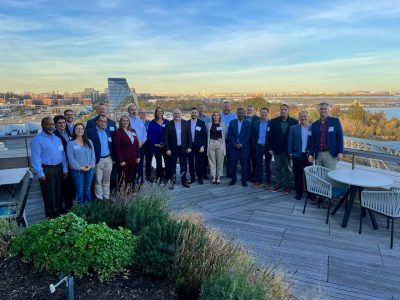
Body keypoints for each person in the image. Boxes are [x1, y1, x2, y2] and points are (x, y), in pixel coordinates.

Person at [31, 117, 68, 218]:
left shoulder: (57, 139)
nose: (51, 126)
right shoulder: (37, 140)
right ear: (42, 125)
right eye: (48, 124)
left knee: (59, 192)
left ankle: (60, 212)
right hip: (47, 169)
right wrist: (40, 173)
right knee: (49, 194)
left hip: (58, 168)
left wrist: (65, 169)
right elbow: (35, 158)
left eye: (52, 124)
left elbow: (63, 155)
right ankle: (52, 216)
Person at [267, 104, 298, 194]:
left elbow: (296, 137)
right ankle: (278, 184)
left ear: (288, 111)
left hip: (288, 151)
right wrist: (270, 147)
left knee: (287, 168)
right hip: (276, 149)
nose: (283, 111)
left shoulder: (294, 122)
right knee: (278, 168)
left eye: (285, 109)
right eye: (282, 110)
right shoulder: (273, 121)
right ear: (279, 111)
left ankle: (287, 186)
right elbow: (270, 136)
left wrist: (293, 149)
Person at [308, 102, 344, 170]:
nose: (323, 110)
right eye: (321, 109)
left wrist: (340, 152)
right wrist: (311, 154)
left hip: (330, 154)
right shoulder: (314, 124)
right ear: (318, 110)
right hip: (318, 154)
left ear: (328, 110)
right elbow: (313, 141)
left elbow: (340, 138)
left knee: (330, 175)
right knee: (320, 175)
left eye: (325, 108)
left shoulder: (335, 121)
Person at [66, 123, 96, 204]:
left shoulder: (89, 142)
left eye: (82, 129)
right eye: (77, 129)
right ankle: (80, 210)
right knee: (79, 190)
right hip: (77, 171)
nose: (80, 130)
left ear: (84, 130)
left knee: (87, 190)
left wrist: (90, 166)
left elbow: (93, 155)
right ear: (74, 131)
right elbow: (71, 159)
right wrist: (80, 167)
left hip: (89, 170)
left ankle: (87, 208)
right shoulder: (71, 144)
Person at [87, 115, 114, 200]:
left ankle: (106, 197)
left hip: (108, 159)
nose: (103, 123)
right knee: (98, 181)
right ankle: (99, 199)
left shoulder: (108, 131)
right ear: (97, 122)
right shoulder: (90, 132)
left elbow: (112, 145)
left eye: (105, 121)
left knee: (107, 180)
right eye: (101, 121)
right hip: (98, 159)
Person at [164, 108, 192, 188]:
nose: (177, 115)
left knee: (184, 165)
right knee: (172, 166)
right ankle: (172, 181)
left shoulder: (185, 123)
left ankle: (184, 180)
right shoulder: (169, 124)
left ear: (181, 114)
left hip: (183, 148)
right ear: (173, 114)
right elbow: (165, 138)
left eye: (178, 113)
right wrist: (167, 149)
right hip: (173, 149)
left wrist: (189, 146)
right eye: (175, 113)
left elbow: (189, 136)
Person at [288, 111, 312, 200]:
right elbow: (290, 141)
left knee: (309, 176)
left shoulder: (312, 128)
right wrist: (290, 152)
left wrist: (312, 153)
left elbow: (314, 142)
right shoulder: (294, 128)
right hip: (297, 155)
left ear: (308, 116)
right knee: (297, 175)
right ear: (299, 118)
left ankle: (310, 194)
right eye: (301, 116)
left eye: (305, 116)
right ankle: (299, 192)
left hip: (308, 156)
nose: (303, 118)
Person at [53, 115, 74, 210]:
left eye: (64, 123)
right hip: (61, 165)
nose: (62, 125)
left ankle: (70, 205)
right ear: (55, 125)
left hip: (71, 162)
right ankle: (63, 207)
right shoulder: (54, 135)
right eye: (60, 123)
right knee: (62, 187)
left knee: (70, 186)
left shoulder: (68, 132)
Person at [113, 116, 140, 188]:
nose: (125, 122)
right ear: (120, 122)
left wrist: (138, 156)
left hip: (133, 159)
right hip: (124, 160)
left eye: (127, 120)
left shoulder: (133, 131)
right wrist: (121, 160)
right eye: (123, 121)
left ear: (129, 122)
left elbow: (136, 144)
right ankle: (122, 194)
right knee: (123, 177)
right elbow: (116, 148)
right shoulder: (118, 132)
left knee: (131, 175)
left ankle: (130, 191)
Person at [227, 107, 251, 187]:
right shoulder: (232, 122)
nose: (241, 114)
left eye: (242, 113)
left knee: (244, 165)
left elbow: (248, 136)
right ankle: (233, 179)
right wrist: (235, 144)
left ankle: (244, 180)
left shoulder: (248, 123)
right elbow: (230, 135)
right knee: (233, 164)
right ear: (236, 114)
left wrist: (241, 144)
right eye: (239, 113)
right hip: (233, 148)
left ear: (244, 114)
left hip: (244, 148)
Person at [148, 107, 170, 182]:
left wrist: (165, 144)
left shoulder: (167, 122)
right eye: (158, 111)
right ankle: (159, 176)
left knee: (167, 161)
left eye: (161, 111)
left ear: (163, 113)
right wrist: (155, 144)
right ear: (156, 113)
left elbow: (170, 134)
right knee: (159, 161)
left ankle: (167, 176)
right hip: (156, 146)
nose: (159, 112)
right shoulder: (152, 122)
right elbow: (149, 135)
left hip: (165, 146)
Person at [251, 107, 272, 189]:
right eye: (262, 112)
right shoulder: (256, 123)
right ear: (260, 113)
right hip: (258, 146)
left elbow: (273, 137)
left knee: (268, 165)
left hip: (268, 147)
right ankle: (260, 181)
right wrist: (254, 146)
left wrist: (271, 148)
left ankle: (268, 182)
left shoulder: (271, 123)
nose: (264, 114)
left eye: (265, 112)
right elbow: (253, 136)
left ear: (268, 113)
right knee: (258, 165)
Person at [127, 104, 147, 183]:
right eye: (132, 110)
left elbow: (145, 133)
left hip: (140, 146)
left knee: (140, 164)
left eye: (135, 110)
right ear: (128, 111)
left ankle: (140, 180)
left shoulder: (140, 121)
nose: (134, 111)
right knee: (131, 164)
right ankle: (132, 181)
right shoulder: (126, 121)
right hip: (130, 147)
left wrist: (142, 142)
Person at [187, 107, 207, 184]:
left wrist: (203, 146)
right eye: (192, 112)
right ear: (190, 113)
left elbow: (204, 135)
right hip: (190, 146)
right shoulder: (187, 123)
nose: (194, 114)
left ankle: (200, 177)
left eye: (195, 112)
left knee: (200, 162)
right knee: (191, 162)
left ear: (197, 114)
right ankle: (192, 177)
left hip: (199, 146)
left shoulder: (201, 123)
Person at [207, 112, 227, 184]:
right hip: (211, 143)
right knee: (212, 161)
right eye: (214, 115)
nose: (216, 117)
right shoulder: (209, 125)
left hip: (220, 143)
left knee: (220, 161)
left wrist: (220, 140)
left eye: (217, 115)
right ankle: (213, 176)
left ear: (219, 117)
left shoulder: (223, 125)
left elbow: (224, 134)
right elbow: (208, 135)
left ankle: (218, 176)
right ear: (212, 117)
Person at [220, 101, 237, 178]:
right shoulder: (219, 115)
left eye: (228, 106)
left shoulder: (234, 116)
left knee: (230, 157)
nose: (227, 108)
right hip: (220, 140)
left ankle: (229, 173)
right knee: (220, 158)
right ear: (223, 107)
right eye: (225, 106)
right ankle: (219, 173)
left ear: (230, 107)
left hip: (231, 141)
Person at [245, 105, 260, 182]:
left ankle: (255, 177)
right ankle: (247, 176)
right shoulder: (242, 119)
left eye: (251, 110)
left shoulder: (258, 119)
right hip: (245, 144)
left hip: (255, 144)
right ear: (245, 111)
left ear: (253, 111)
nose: (249, 111)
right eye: (248, 110)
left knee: (255, 161)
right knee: (246, 161)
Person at [139, 108, 153, 182]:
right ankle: (140, 177)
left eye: (144, 113)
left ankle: (148, 176)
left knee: (149, 161)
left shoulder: (149, 122)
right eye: (141, 113)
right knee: (140, 161)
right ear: (139, 114)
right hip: (141, 144)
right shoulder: (136, 123)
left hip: (149, 144)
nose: (143, 114)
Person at [198, 103, 210, 179]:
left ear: (205, 109)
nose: (201, 110)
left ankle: (205, 173)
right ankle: (198, 173)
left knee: (205, 158)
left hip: (206, 140)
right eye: (200, 108)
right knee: (198, 158)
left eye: (202, 108)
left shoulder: (208, 119)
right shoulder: (196, 118)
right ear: (198, 109)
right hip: (198, 140)